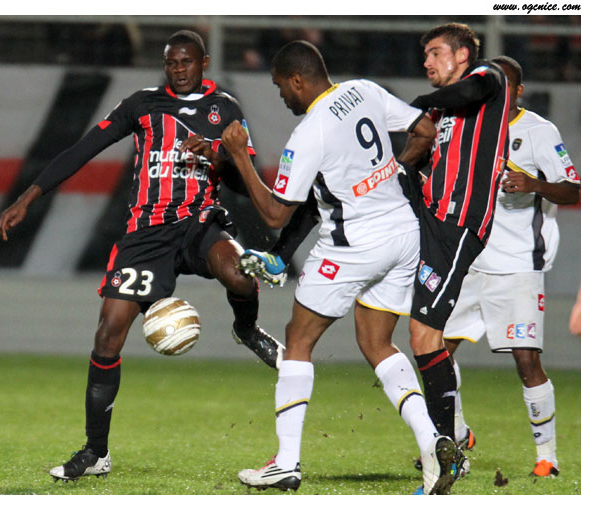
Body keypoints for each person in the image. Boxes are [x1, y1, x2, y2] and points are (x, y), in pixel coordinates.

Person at [0, 30, 284, 482]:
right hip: (146, 233)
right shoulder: (142, 105)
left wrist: (216, 155)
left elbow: (243, 180)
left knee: (240, 276)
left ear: (204, 63)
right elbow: (83, 149)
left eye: (186, 62)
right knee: (108, 334)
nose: (179, 70)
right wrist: (28, 197)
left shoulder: (225, 109)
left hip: (200, 221)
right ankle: (96, 452)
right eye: (171, 63)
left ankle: (246, 330)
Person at [222, 40, 465, 495]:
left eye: (280, 86)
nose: (281, 96)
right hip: (403, 233)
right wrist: (393, 172)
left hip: (352, 246)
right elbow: (425, 129)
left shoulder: (310, 133)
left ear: (298, 80)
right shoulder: (364, 90)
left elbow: (275, 213)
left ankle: (285, 463)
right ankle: (434, 445)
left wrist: (238, 153)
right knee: (377, 342)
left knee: (298, 340)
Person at [441, 55, 580, 478]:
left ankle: (547, 457)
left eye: (503, 86)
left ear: (518, 91)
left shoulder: (538, 131)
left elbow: (573, 189)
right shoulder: (463, 126)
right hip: (467, 260)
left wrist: (534, 183)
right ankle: (456, 437)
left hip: (517, 265)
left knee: (526, 360)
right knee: (435, 351)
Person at [400, 23, 510, 445]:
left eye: (435, 52)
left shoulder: (487, 76)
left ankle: (448, 444)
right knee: (421, 337)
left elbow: (470, 91)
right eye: (425, 54)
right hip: (429, 219)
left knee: (426, 335)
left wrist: (419, 103)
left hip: (458, 223)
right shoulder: (441, 112)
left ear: (462, 55)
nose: (426, 62)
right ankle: (452, 436)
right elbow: (416, 154)